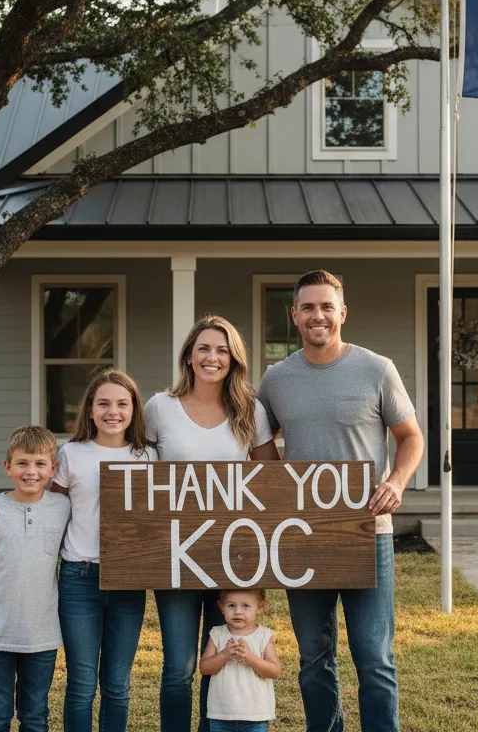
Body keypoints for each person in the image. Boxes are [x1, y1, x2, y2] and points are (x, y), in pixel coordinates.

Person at [258, 270, 424, 732]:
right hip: (302, 536)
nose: (318, 315)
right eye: (308, 307)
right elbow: (259, 440)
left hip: (366, 533)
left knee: (374, 659)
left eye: (327, 306)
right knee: (313, 659)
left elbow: (411, 437)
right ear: (294, 315)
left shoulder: (376, 369)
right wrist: (280, 480)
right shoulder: (276, 378)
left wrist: (396, 482)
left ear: (342, 313)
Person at [0, 369, 157, 732]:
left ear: (134, 410)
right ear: (90, 409)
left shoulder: (148, 456)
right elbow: (40, 504)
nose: (113, 411)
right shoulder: (71, 454)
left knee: (118, 687)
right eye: (103, 403)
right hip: (80, 578)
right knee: (82, 685)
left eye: (122, 404)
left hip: (127, 582)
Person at [145, 315, 279, 732]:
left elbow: (272, 479)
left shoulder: (250, 411)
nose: (212, 357)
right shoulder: (159, 408)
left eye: (222, 350)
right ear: (188, 356)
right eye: (204, 348)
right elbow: (137, 475)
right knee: (180, 667)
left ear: (234, 360)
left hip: (232, 556)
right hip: (176, 556)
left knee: (219, 659)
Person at [0, 424, 71, 732]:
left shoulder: (63, 508)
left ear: (53, 469)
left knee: (35, 716)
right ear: (8, 467)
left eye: (39, 464)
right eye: (22, 463)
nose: (30, 471)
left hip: (42, 634)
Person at [199, 588, 280, 732]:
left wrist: (250, 658)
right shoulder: (217, 634)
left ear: (260, 607)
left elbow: (274, 671)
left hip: (256, 717)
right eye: (231, 605)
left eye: (246, 606)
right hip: (221, 716)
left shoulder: (264, 636)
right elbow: (204, 668)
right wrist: (224, 655)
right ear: (221, 607)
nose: (238, 611)